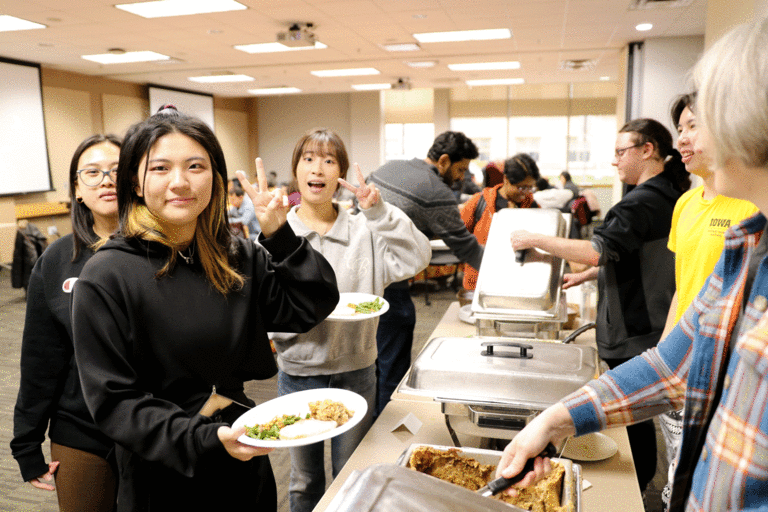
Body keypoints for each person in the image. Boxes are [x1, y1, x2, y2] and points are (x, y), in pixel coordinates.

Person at [497, 18, 768, 511]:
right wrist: (554, 419)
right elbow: (676, 361)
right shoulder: (747, 247)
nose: (690, 138)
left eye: (702, 119)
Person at [70, 106, 338, 511]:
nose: (180, 182)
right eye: (160, 168)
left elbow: (310, 305)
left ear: (214, 179)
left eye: (195, 166)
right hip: (164, 469)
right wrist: (203, 438)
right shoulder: (107, 274)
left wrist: (280, 236)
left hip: (242, 450)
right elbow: (114, 402)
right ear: (136, 183)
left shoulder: (236, 257)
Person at [510, 117, 691, 492]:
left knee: (631, 417)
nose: (615, 161)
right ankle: (642, 485)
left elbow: (598, 251)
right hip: (656, 323)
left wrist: (537, 239)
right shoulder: (670, 197)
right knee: (641, 418)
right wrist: (585, 276)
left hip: (634, 329)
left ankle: (636, 489)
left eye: (620, 152)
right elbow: (634, 259)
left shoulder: (639, 201)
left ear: (647, 150)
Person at [278, 128, 430, 512]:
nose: (318, 168)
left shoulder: (365, 228)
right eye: (308, 159)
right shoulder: (277, 235)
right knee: (303, 481)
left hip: (357, 369)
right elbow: (262, 305)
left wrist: (378, 212)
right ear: (296, 171)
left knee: (351, 475)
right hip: (298, 373)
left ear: (340, 175)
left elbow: (417, 258)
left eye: (329, 160)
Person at [657, 92, 758, 508]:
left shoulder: (751, 205)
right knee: (675, 474)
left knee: (708, 478)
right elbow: (685, 286)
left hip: (722, 368)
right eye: (680, 129)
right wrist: (664, 351)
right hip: (681, 356)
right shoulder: (684, 203)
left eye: (693, 126)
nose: (683, 140)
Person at [11, 134, 121, 511]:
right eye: (93, 172)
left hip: (161, 427)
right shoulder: (57, 259)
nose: (106, 180)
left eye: (118, 171)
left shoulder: (164, 250)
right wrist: (26, 444)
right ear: (77, 188)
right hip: (81, 428)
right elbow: (41, 356)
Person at [367, 131, 481, 417]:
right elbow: (467, 248)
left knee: (368, 364)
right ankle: (383, 436)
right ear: (443, 160)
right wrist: (506, 272)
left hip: (358, 278)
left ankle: (368, 427)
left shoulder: (388, 166)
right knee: (392, 362)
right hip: (389, 282)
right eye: (460, 169)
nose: (460, 177)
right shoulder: (437, 191)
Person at [460, 153, 540, 291]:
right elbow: (459, 236)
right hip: (480, 281)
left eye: (530, 187)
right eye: (521, 187)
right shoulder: (479, 202)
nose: (526, 193)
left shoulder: (533, 206)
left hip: (517, 280)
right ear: (506, 179)